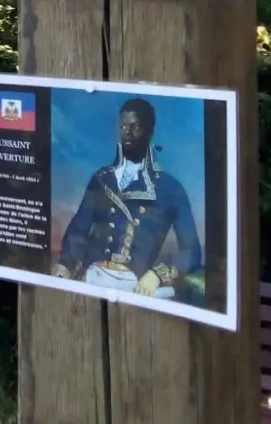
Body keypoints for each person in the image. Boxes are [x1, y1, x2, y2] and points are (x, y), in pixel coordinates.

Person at [52, 97, 201, 298]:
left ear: (150, 131)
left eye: (135, 127)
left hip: (136, 286)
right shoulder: (101, 178)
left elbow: (192, 251)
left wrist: (157, 275)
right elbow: (79, 227)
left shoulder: (170, 188)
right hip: (90, 276)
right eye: (123, 127)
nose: (127, 133)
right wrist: (65, 266)